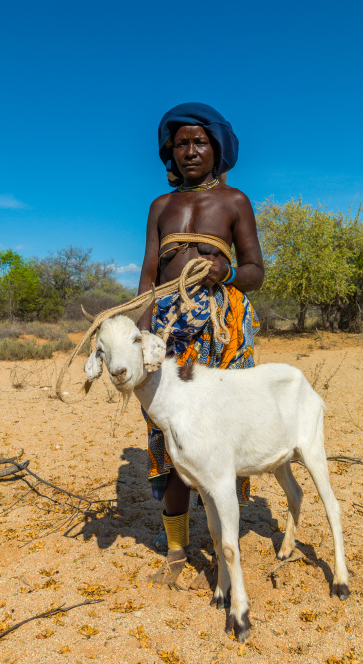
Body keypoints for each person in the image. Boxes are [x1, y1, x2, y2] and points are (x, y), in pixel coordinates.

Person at [137, 102, 264, 587]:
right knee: (170, 438)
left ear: (217, 148)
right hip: (168, 334)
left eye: (199, 142)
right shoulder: (160, 208)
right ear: (171, 149)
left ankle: (223, 542)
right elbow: (148, 278)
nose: (189, 151)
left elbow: (255, 272)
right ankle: (175, 549)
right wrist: (144, 335)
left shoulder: (235, 202)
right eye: (181, 143)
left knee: (219, 433)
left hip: (221, 329)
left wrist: (225, 272)